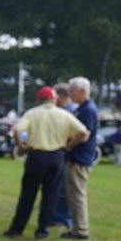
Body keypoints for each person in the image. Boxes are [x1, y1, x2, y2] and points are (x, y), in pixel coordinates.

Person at [4, 86, 89, 241]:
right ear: (55, 99)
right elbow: (83, 133)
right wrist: (68, 146)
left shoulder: (32, 113)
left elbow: (16, 130)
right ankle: (42, 231)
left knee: (28, 194)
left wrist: (21, 147)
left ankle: (17, 228)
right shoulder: (64, 114)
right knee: (51, 195)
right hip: (57, 156)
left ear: (39, 100)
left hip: (36, 156)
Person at [63, 77, 99, 240]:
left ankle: (81, 230)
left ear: (82, 91)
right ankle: (78, 228)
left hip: (79, 158)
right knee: (73, 194)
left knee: (77, 195)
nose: (70, 94)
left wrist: (68, 146)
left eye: (72, 91)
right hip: (78, 157)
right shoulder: (82, 108)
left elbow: (84, 135)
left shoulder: (87, 110)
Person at [49, 83, 77, 229]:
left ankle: (63, 220)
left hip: (66, 154)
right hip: (61, 154)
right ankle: (56, 218)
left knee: (63, 189)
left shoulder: (69, 112)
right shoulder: (69, 110)